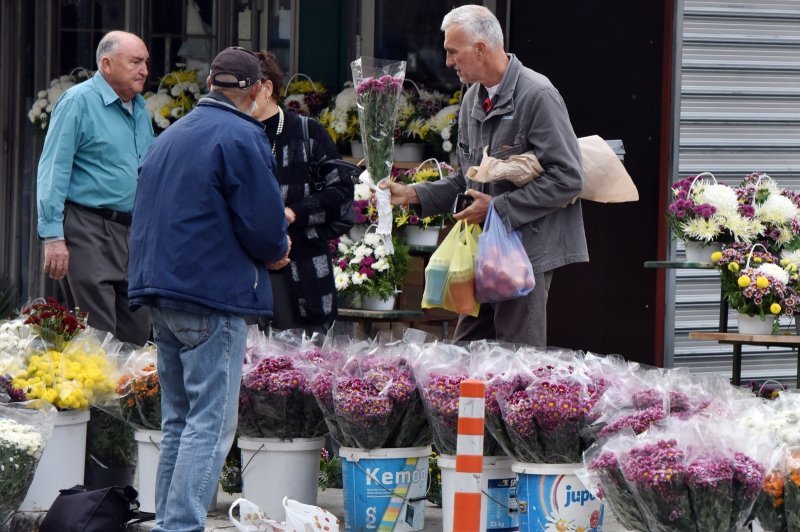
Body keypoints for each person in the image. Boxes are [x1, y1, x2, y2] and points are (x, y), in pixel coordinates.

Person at [127, 46, 290, 531]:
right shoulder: (242, 135)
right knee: (211, 423)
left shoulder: (171, 133)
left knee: (179, 419)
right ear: (256, 89)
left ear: (211, 85)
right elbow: (262, 225)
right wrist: (276, 249)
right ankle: (180, 526)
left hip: (162, 291)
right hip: (210, 295)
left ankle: (170, 523)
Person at [381, 5, 588, 346]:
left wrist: (496, 208)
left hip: (526, 252)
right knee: (466, 353)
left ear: (480, 48)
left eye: (452, 52)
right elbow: (467, 178)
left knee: (515, 360)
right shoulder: (472, 99)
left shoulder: (538, 95)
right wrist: (413, 194)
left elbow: (568, 178)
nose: (448, 62)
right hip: (486, 249)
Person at [36, 30, 153, 345]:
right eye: (135, 62)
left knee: (138, 332)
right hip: (89, 227)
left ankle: (134, 396)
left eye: (146, 62)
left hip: (134, 232)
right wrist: (53, 237)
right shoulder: (78, 101)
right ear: (107, 64)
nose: (144, 70)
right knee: (99, 334)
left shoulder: (140, 108)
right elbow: (53, 168)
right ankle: (99, 397)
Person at [252, 51, 355, 335]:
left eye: (244, 87)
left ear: (267, 88)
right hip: (246, 272)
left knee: (302, 367)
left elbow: (343, 191)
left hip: (303, 269)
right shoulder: (232, 133)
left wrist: (294, 212)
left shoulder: (306, 132)